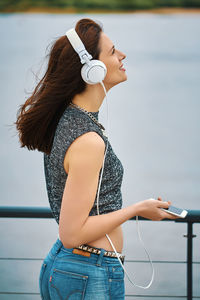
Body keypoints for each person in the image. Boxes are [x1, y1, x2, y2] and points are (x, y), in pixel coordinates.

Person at [16, 18, 177, 300]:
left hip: (76, 269)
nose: (122, 55)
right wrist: (137, 209)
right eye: (113, 51)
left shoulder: (69, 118)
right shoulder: (87, 140)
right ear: (92, 70)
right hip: (88, 272)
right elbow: (72, 232)